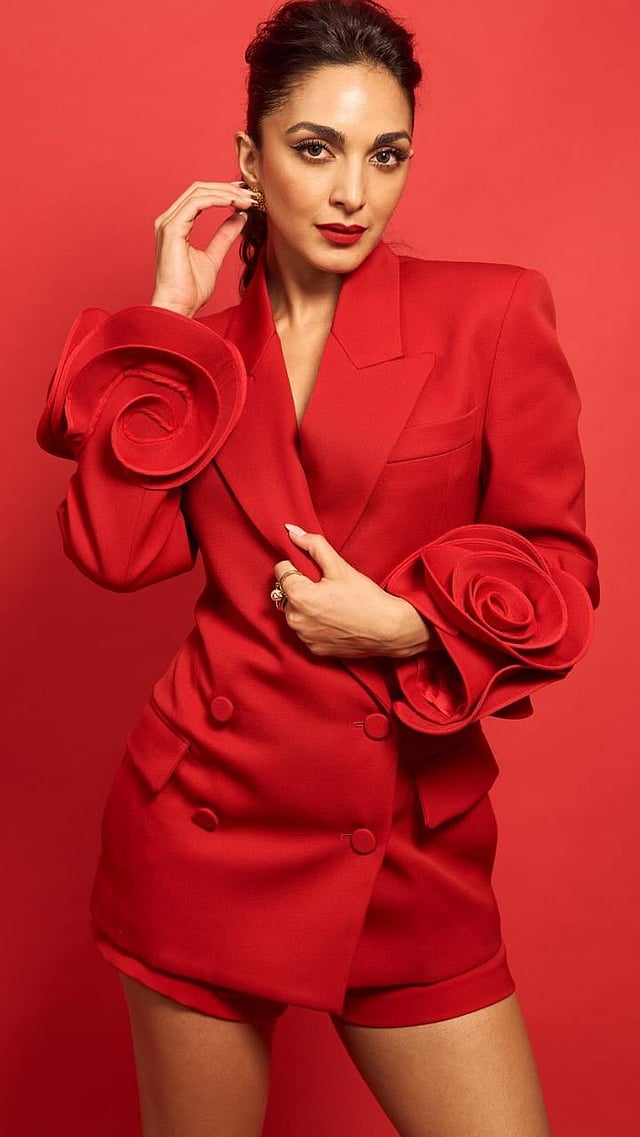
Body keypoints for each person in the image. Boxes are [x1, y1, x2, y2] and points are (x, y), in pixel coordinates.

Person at [36, 1, 600, 1134]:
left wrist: (405, 627)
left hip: (404, 839)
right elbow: (115, 549)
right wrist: (166, 325)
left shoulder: (488, 312)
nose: (353, 192)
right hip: (202, 824)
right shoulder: (207, 354)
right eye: (315, 148)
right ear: (249, 160)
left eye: (385, 155)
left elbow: (561, 574)